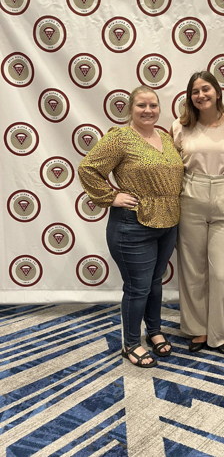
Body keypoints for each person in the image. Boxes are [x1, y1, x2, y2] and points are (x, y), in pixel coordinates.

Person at [78, 86, 184, 368]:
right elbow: (88, 168)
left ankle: (154, 331)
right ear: (130, 109)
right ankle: (131, 344)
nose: (148, 110)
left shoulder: (164, 136)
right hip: (132, 225)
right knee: (138, 287)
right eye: (141, 105)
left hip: (167, 222)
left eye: (153, 105)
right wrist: (111, 196)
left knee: (154, 282)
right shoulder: (120, 138)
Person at [170, 71, 224, 354]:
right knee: (193, 270)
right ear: (190, 97)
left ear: (217, 91)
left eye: (206, 89)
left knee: (222, 272)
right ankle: (197, 329)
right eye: (195, 91)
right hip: (191, 193)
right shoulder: (180, 126)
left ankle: (220, 332)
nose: (201, 95)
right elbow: (172, 165)